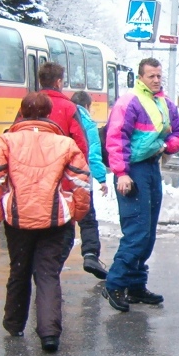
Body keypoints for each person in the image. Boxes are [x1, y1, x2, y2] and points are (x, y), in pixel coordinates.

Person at [0, 91, 91, 352]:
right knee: (48, 273)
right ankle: (49, 333)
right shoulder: (64, 143)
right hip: (55, 220)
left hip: (17, 219)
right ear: (49, 113)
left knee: (19, 269)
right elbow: (81, 183)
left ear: (22, 112)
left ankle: (14, 323)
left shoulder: (6, 141)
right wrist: (77, 213)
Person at [102, 58, 179, 312]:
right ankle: (115, 284)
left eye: (159, 75)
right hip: (133, 170)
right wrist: (121, 173)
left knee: (147, 232)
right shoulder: (129, 102)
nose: (156, 80)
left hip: (151, 168)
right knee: (137, 231)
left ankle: (136, 284)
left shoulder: (164, 103)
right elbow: (116, 138)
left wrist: (165, 146)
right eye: (151, 76)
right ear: (140, 78)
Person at [69, 90, 109, 280]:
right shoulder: (88, 123)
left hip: (62, 178)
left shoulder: (64, 117)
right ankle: (90, 255)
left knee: (64, 219)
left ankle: (51, 263)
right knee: (87, 219)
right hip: (82, 178)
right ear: (87, 106)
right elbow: (93, 154)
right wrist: (101, 178)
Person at [32, 62, 90, 164]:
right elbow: (81, 144)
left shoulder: (29, 105)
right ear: (58, 82)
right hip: (60, 168)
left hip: (31, 167)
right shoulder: (69, 107)